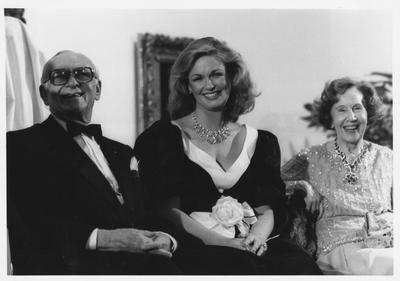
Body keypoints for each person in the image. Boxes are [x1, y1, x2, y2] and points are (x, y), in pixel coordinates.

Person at [134, 37, 322, 274]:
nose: (209, 84)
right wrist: (223, 242)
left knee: (300, 267)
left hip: (255, 246)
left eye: (216, 74)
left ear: (232, 78)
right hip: (197, 248)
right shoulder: (165, 136)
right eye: (198, 78)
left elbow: (267, 208)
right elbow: (167, 211)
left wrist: (255, 239)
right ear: (187, 86)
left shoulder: (263, 141)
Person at [7, 50, 181, 275]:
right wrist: (106, 239)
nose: (72, 83)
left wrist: (167, 239)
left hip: (146, 264)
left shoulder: (122, 151)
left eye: (83, 75)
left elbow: (147, 211)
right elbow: (29, 222)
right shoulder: (15, 145)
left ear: (97, 89)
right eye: (59, 76)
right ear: (44, 94)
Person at [281, 77, 393, 275]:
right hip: (340, 248)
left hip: (387, 242)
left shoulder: (387, 157)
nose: (352, 117)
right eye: (342, 109)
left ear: (368, 114)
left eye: (358, 108)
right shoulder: (311, 157)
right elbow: (268, 185)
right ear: (330, 119)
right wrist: (302, 186)